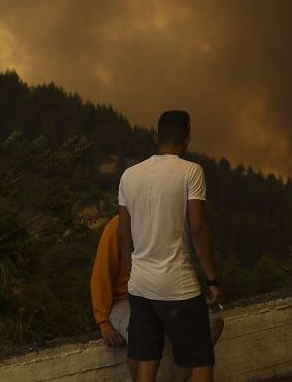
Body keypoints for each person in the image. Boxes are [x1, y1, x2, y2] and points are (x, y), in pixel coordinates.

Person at [118, 110, 223, 382]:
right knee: (199, 360)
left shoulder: (129, 175)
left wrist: (135, 272)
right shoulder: (191, 171)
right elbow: (198, 229)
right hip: (179, 286)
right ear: (187, 140)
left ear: (156, 136)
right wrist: (213, 279)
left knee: (145, 362)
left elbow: (123, 234)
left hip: (140, 285)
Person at [91, 213, 225, 382]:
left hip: (162, 294)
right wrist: (103, 323)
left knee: (212, 323)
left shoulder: (162, 223)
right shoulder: (116, 228)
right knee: (140, 341)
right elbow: (100, 277)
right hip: (124, 300)